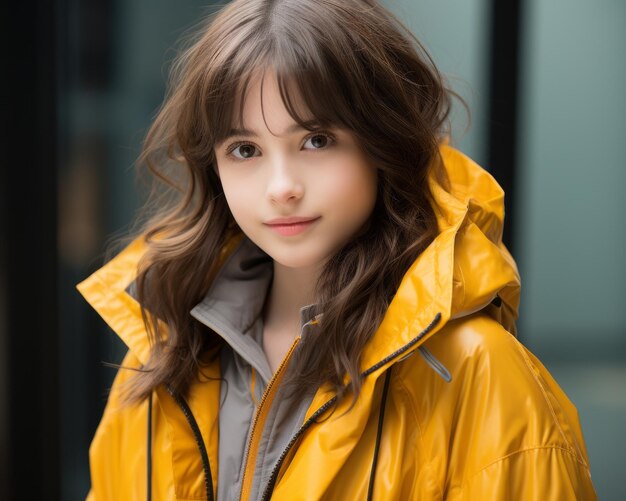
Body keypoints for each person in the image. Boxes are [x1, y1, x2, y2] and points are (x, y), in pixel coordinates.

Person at [77, 0, 597, 499]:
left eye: (316, 140)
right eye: (245, 150)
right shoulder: (163, 354)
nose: (281, 186)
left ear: (383, 142)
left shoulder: (477, 371)